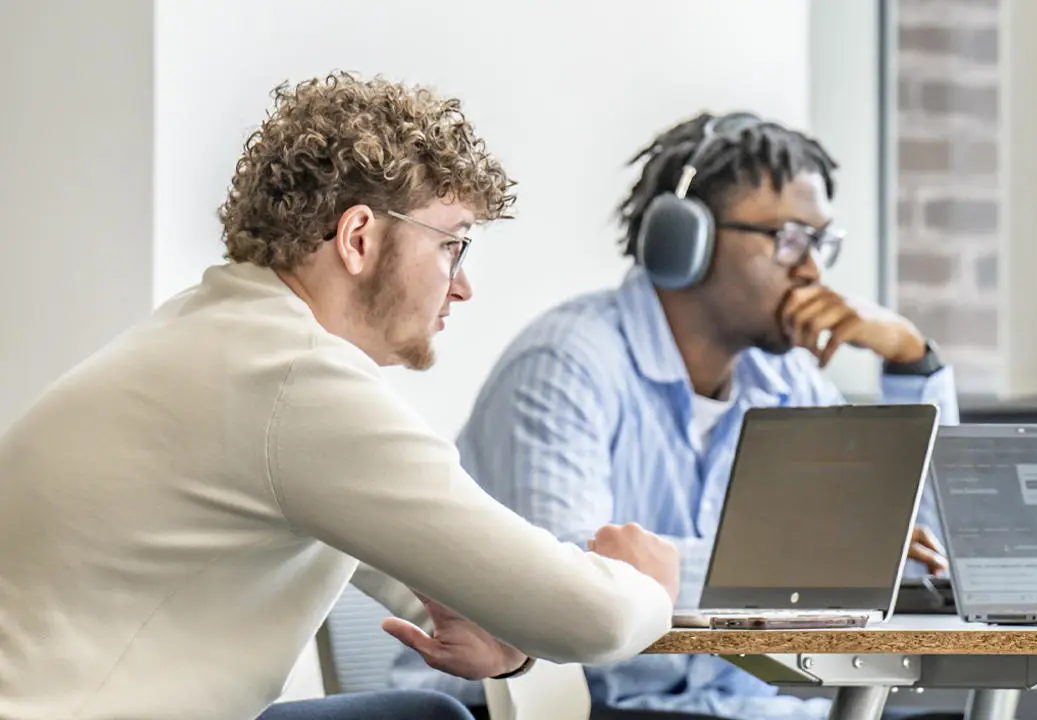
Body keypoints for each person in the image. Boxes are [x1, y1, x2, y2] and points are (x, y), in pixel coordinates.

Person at [0, 72, 684, 720]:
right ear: (358, 238)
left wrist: (497, 630)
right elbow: (593, 619)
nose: (463, 285)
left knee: (425, 714)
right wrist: (645, 585)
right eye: (453, 246)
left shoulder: (220, 334)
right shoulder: (294, 382)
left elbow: (420, 574)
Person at [386, 111, 960, 720]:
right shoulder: (568, 364)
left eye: (821, 244)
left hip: (726, 707)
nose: (814, 271)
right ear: (688, 240)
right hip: (550, 705)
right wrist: (811, 560)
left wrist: (911, 362)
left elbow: (925, 554)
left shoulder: (785, 382)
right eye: (790, 239)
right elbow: (562, 585)